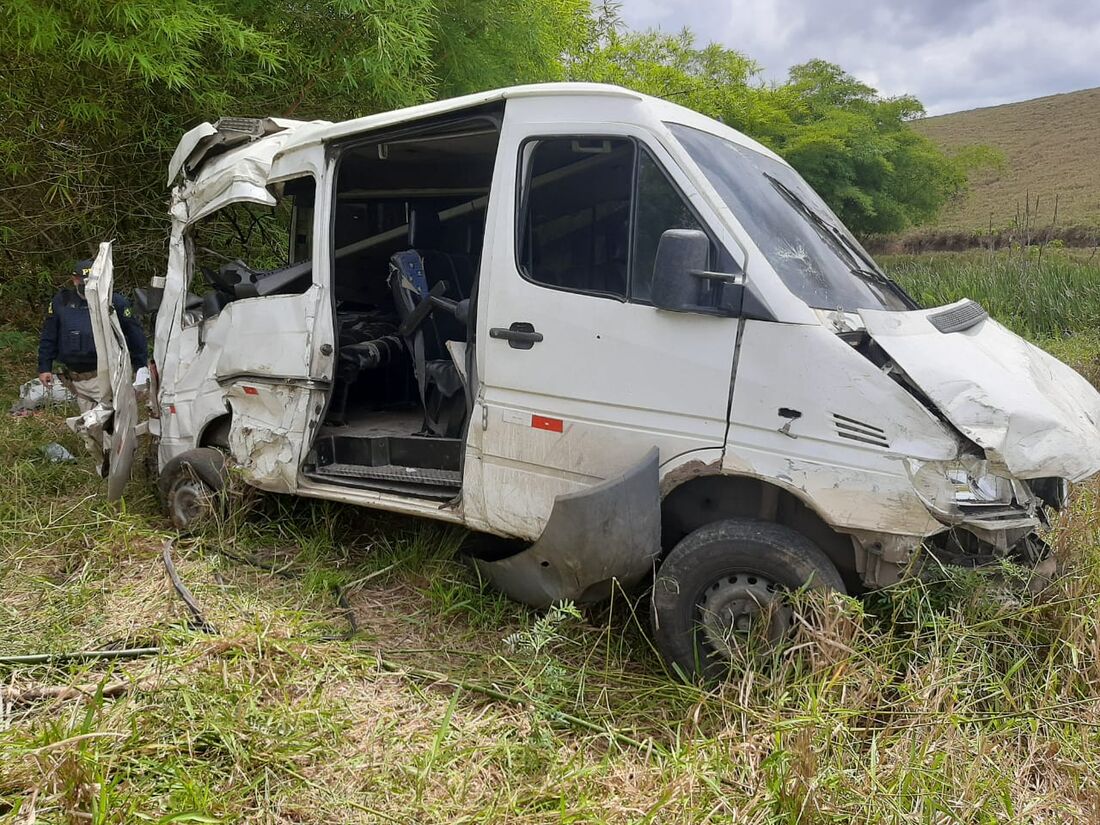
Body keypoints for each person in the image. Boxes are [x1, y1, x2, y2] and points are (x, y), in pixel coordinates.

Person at [37, 258, 148, 413]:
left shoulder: (114, 302)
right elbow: (49, 335)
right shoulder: (62, 302)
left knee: (113, 428)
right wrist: (44, 366)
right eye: (84, 283)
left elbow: (135, 335)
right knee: (90, 430)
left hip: (108, 376)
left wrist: (141, 366)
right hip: (77, 379)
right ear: (75, 280)